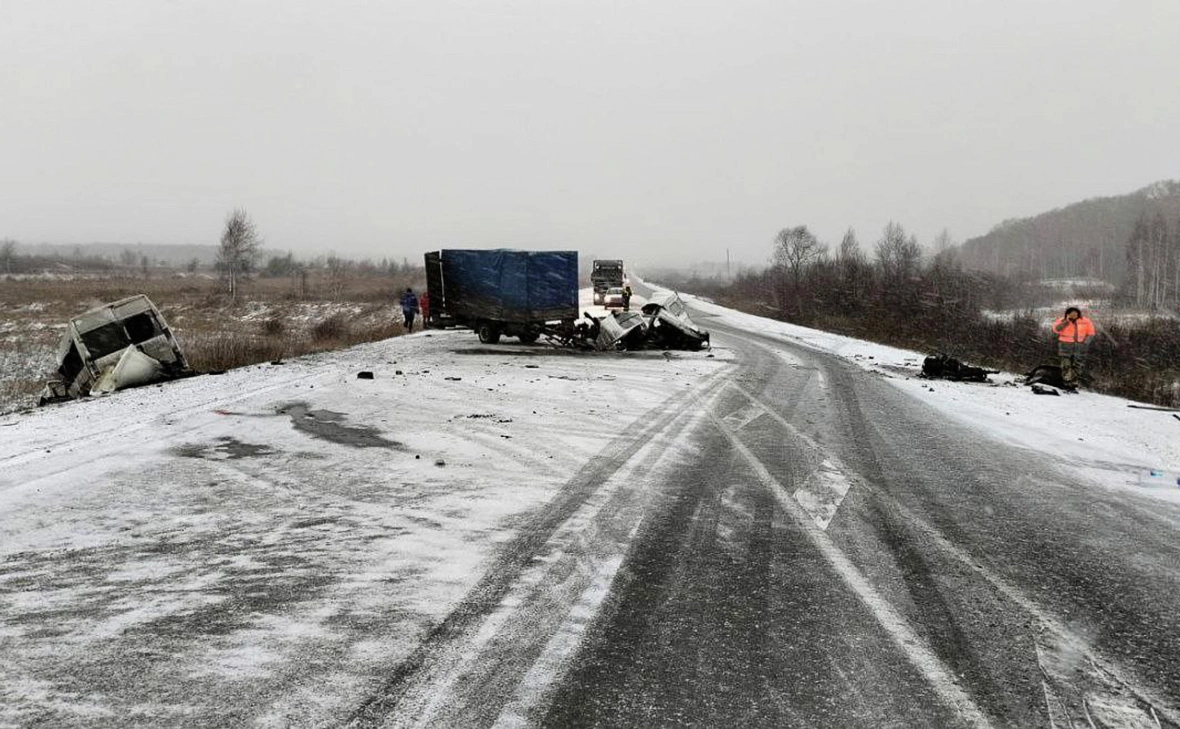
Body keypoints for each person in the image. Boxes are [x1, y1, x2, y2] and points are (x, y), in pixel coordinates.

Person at [1052, 305, 1095, 389]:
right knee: (1066, 365)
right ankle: (1067, 382)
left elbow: (1091, 333)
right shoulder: (1061, 320)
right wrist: (1066, 322)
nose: (1074, 315)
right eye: (1071, 313)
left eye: (1075, 313)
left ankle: (1074, 382)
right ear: (1067, 314)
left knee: (1078, 366)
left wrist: (1085, 343)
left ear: (1078, 314)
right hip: (1065, 346)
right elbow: (1056, 329)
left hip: (1080, 347)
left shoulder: (1085, 321)